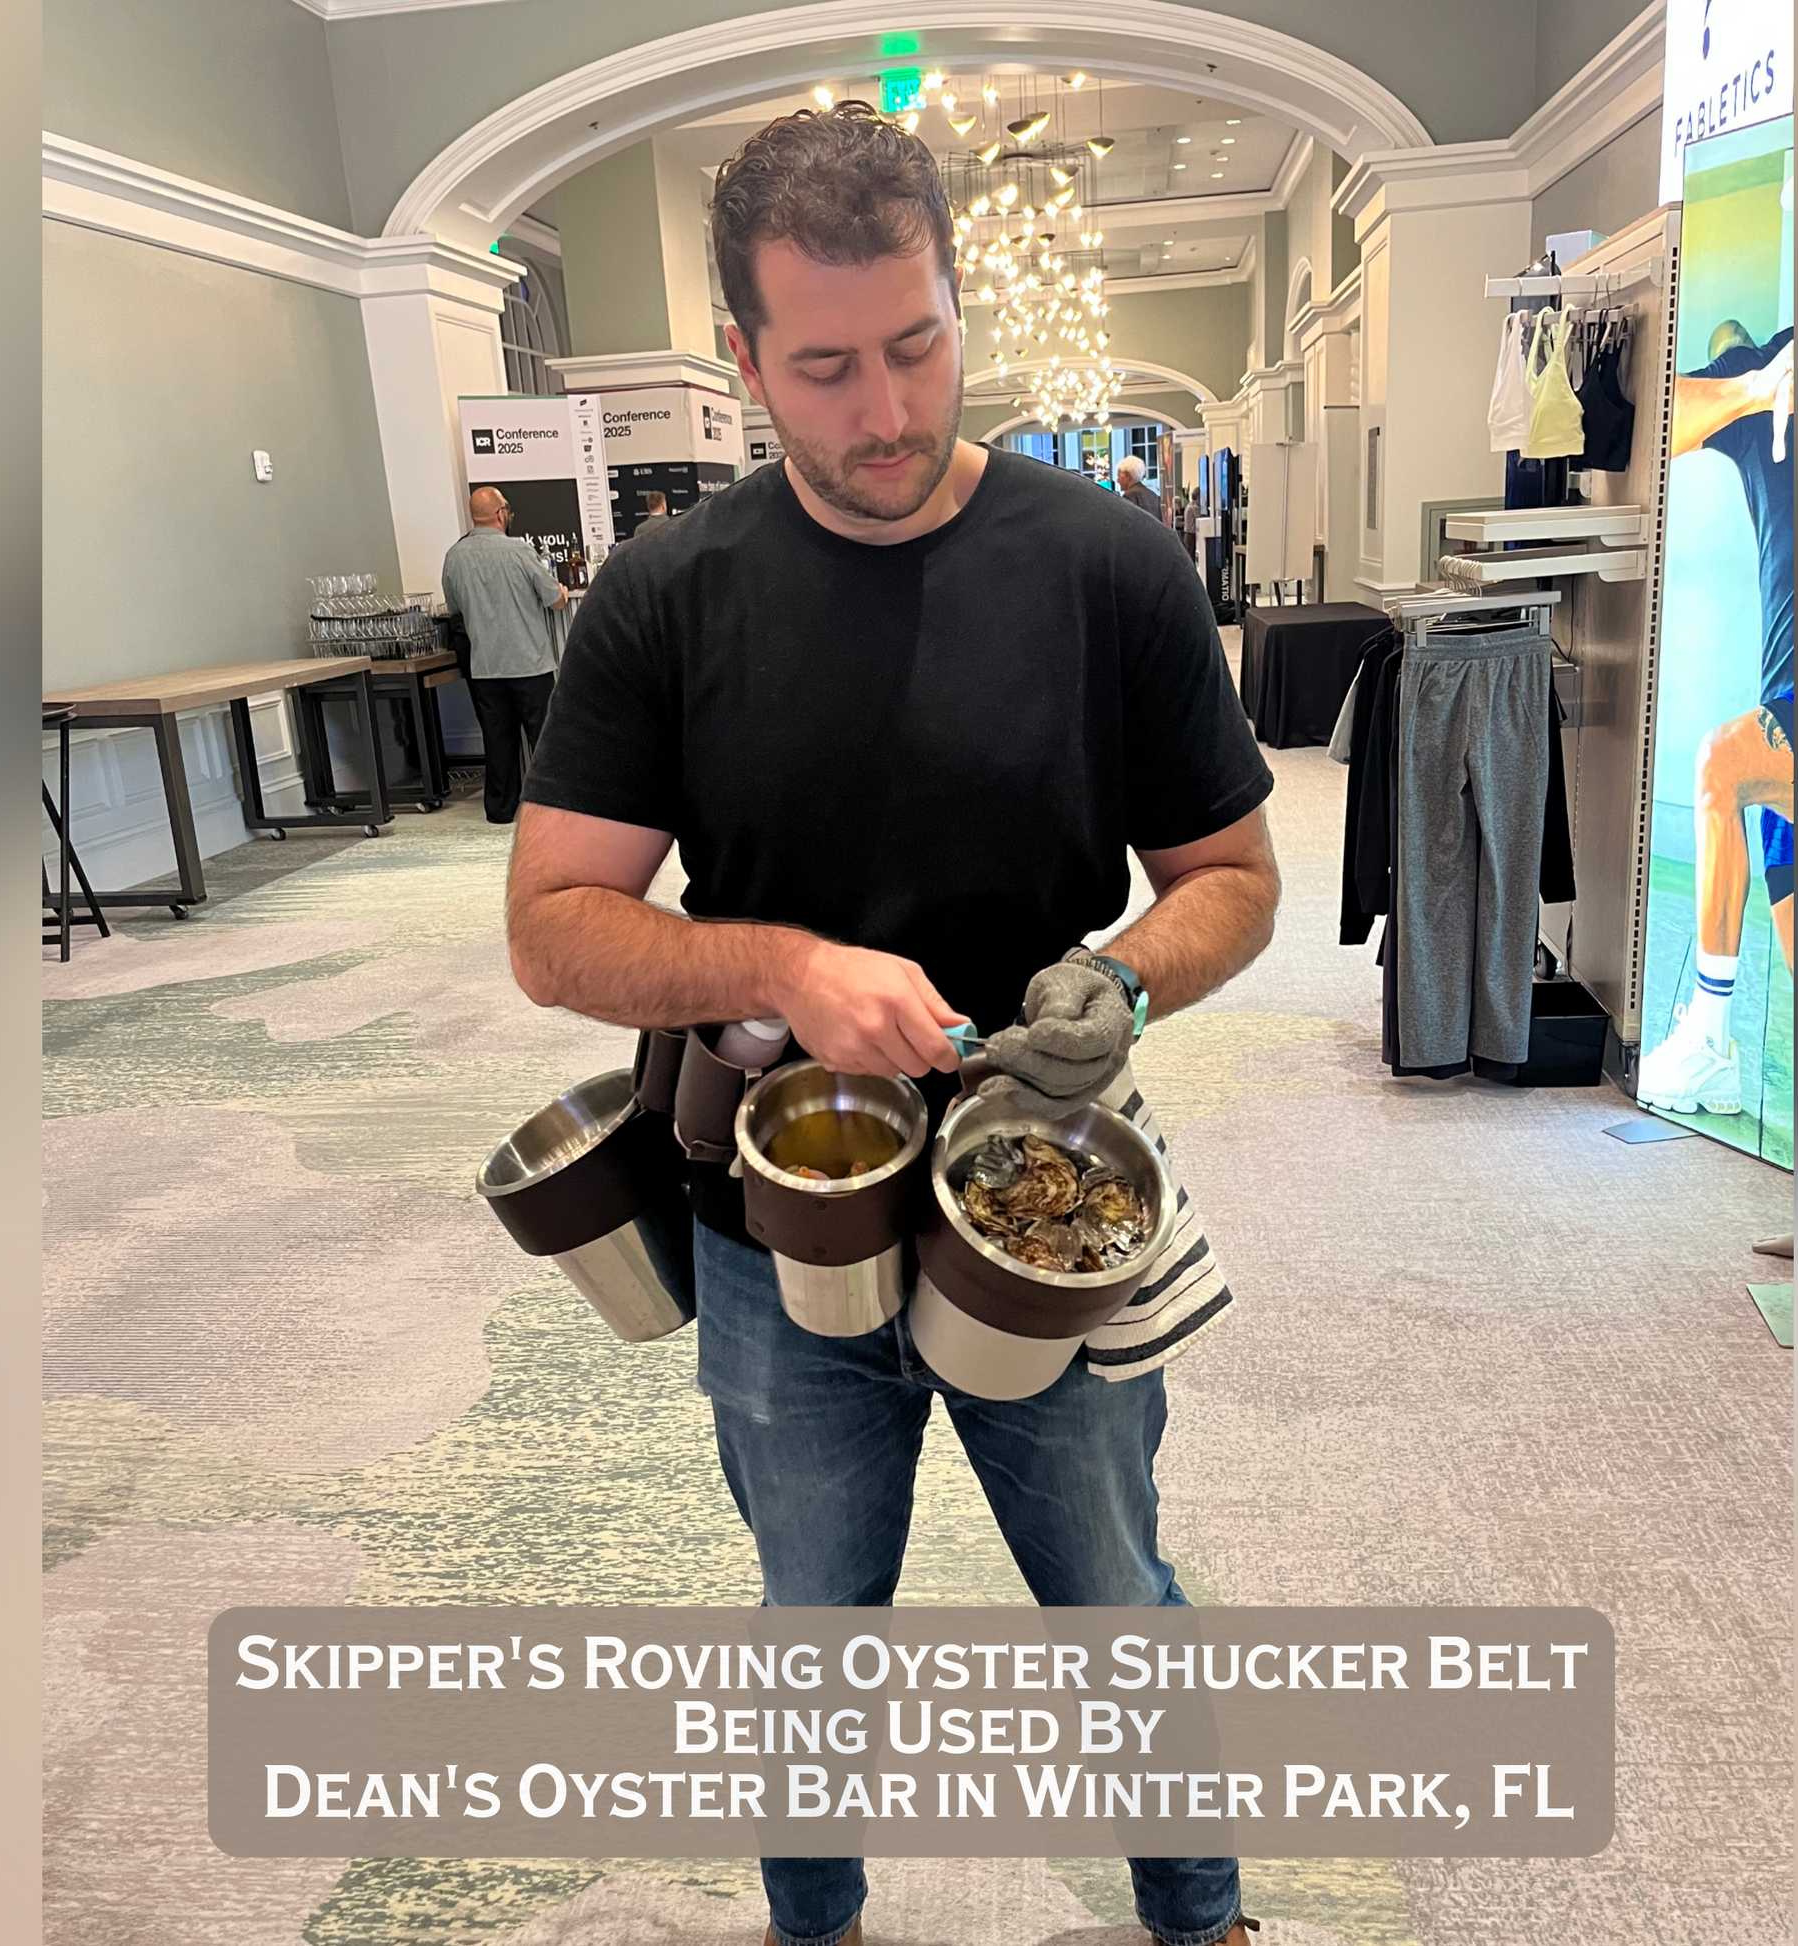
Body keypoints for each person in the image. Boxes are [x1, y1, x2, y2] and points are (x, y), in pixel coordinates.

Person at [506, 102, 1279, 1946]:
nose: (887, 412)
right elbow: (551, 930)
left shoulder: (1108, 563)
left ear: (953, 302)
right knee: (815, 1623)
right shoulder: (665, 597)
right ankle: (816, 1922)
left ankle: (1203, 1913)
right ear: (746, 358)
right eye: (829, 367)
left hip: (1042, 1195)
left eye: (920, 346)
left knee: (1114, 1598)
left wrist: (1130, 975)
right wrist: (777, 969)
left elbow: (1232, 874)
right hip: (776, 1208)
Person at [1636, 321, 1793, 1118]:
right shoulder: (1774, 367)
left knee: (1721, 761)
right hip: (1789, 696)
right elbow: (1655, 421)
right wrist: (1758, 387)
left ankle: (1708, 1039)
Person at [440, 486, 569, 824]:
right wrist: (564, 594)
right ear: (501, 514)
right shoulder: (519, 551)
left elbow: (455, 611)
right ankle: (549, 808)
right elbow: (553, 598)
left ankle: (500, 810)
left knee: (498, 741)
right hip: (530, 662)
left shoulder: (454, 556)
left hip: (485, 665)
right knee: (543, 738)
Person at [1115, 452, 1166, 519]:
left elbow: (1127, 523)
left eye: (1118, 476)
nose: (1117, 481)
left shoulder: (1129, 496)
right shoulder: (1153, 495)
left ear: (1127, 476)